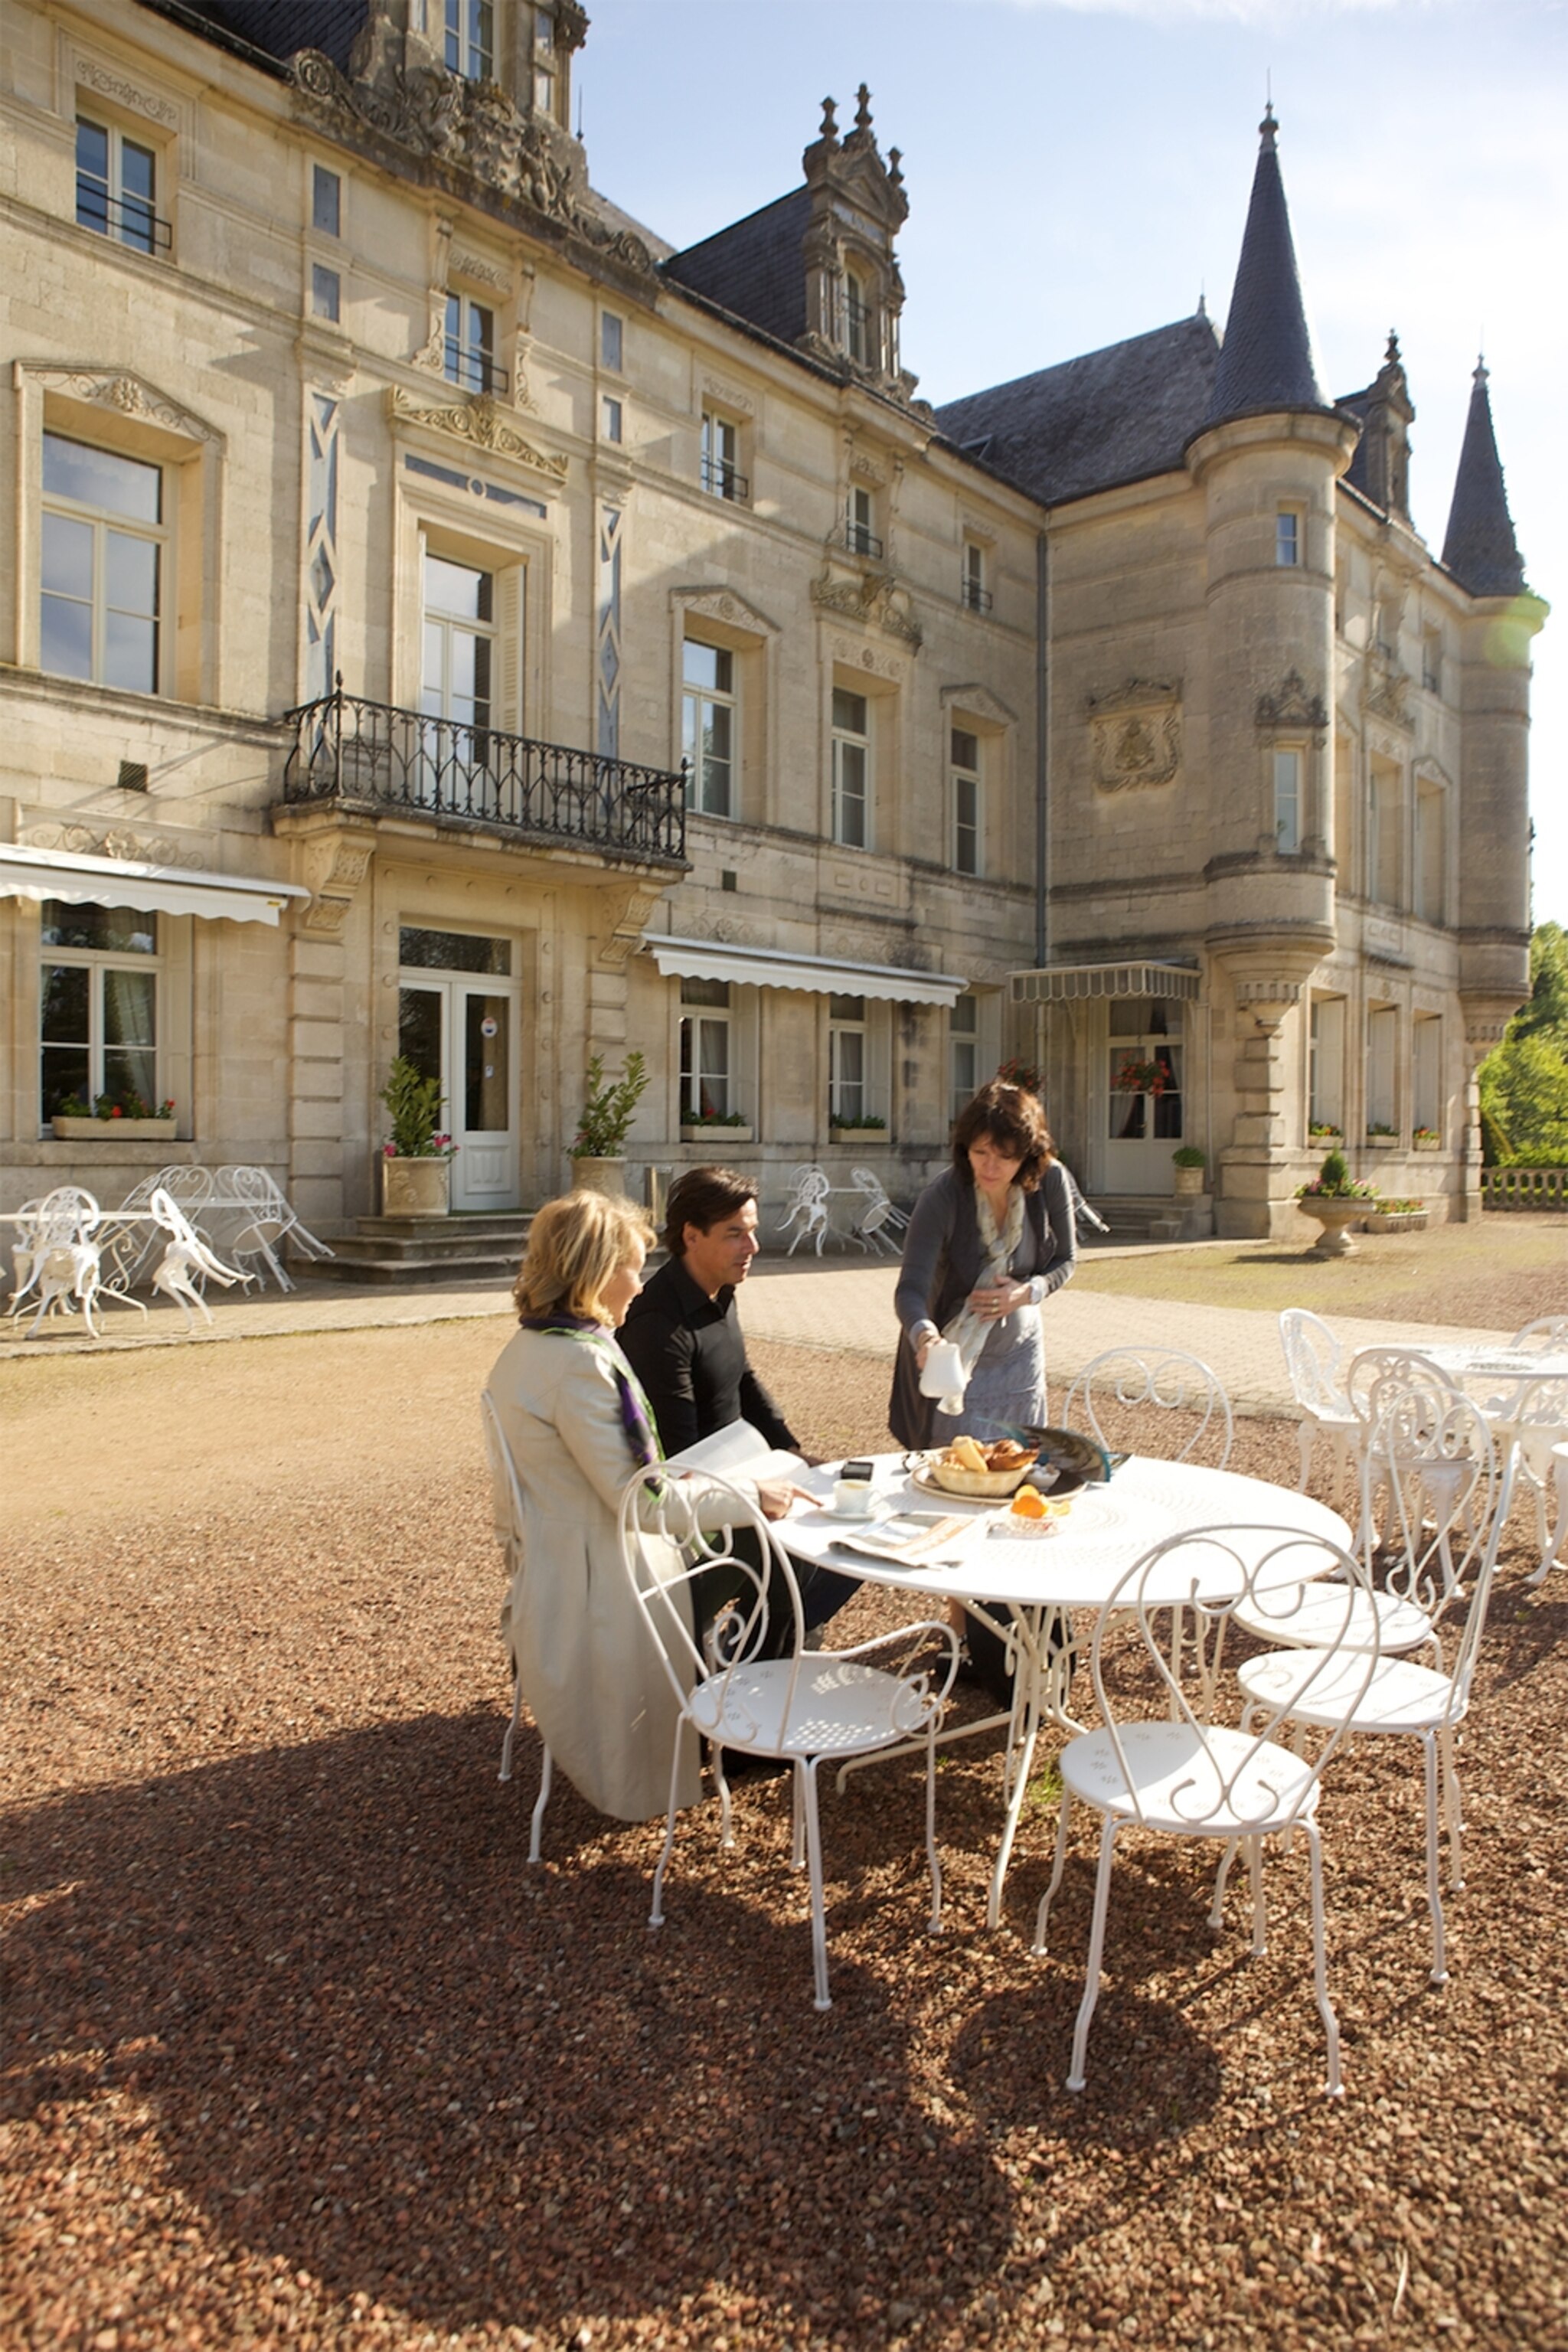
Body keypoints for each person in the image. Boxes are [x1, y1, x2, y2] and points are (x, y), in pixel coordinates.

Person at [485, 1189, 787, 1824]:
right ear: (594, 1273)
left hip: (556, 1555)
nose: (639, 1282)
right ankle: (764, 1714)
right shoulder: (582, 1366)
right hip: (607, 1573)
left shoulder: (527, 1350)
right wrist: (747, 1495)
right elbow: (641, 1504)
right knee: (771, 1548)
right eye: (631, 1266)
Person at [889, 1080, 1077, 1700]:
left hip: (1019, 1351)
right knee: (959, 1494)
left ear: (1029, 1154)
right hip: (954, 1354)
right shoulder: (944, 1197)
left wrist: (1028, 1292)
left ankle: (1026, 1630)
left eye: (1002, 1154)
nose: (989, 1166)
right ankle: (966, 1639)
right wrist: (922, 1338)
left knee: (1021, 1481)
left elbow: (1065, 1263)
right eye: (977, 1152)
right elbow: (910, 1288)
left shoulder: (1049, 1183)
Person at [621, 1165, 858, 1641]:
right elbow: (682, 1467)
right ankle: (757, 1651)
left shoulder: (720, 1289)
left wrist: (791, 1451)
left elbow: (743, 1381)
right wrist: (760, 1491)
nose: (752, 1247)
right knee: (838, 1542)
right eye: (735, 1235)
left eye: (751, 1231)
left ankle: (761, 1641)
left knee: (854, 1517)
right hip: (694, 1520)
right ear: (691, 1236)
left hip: (741, 1478)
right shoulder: (659, 1327)